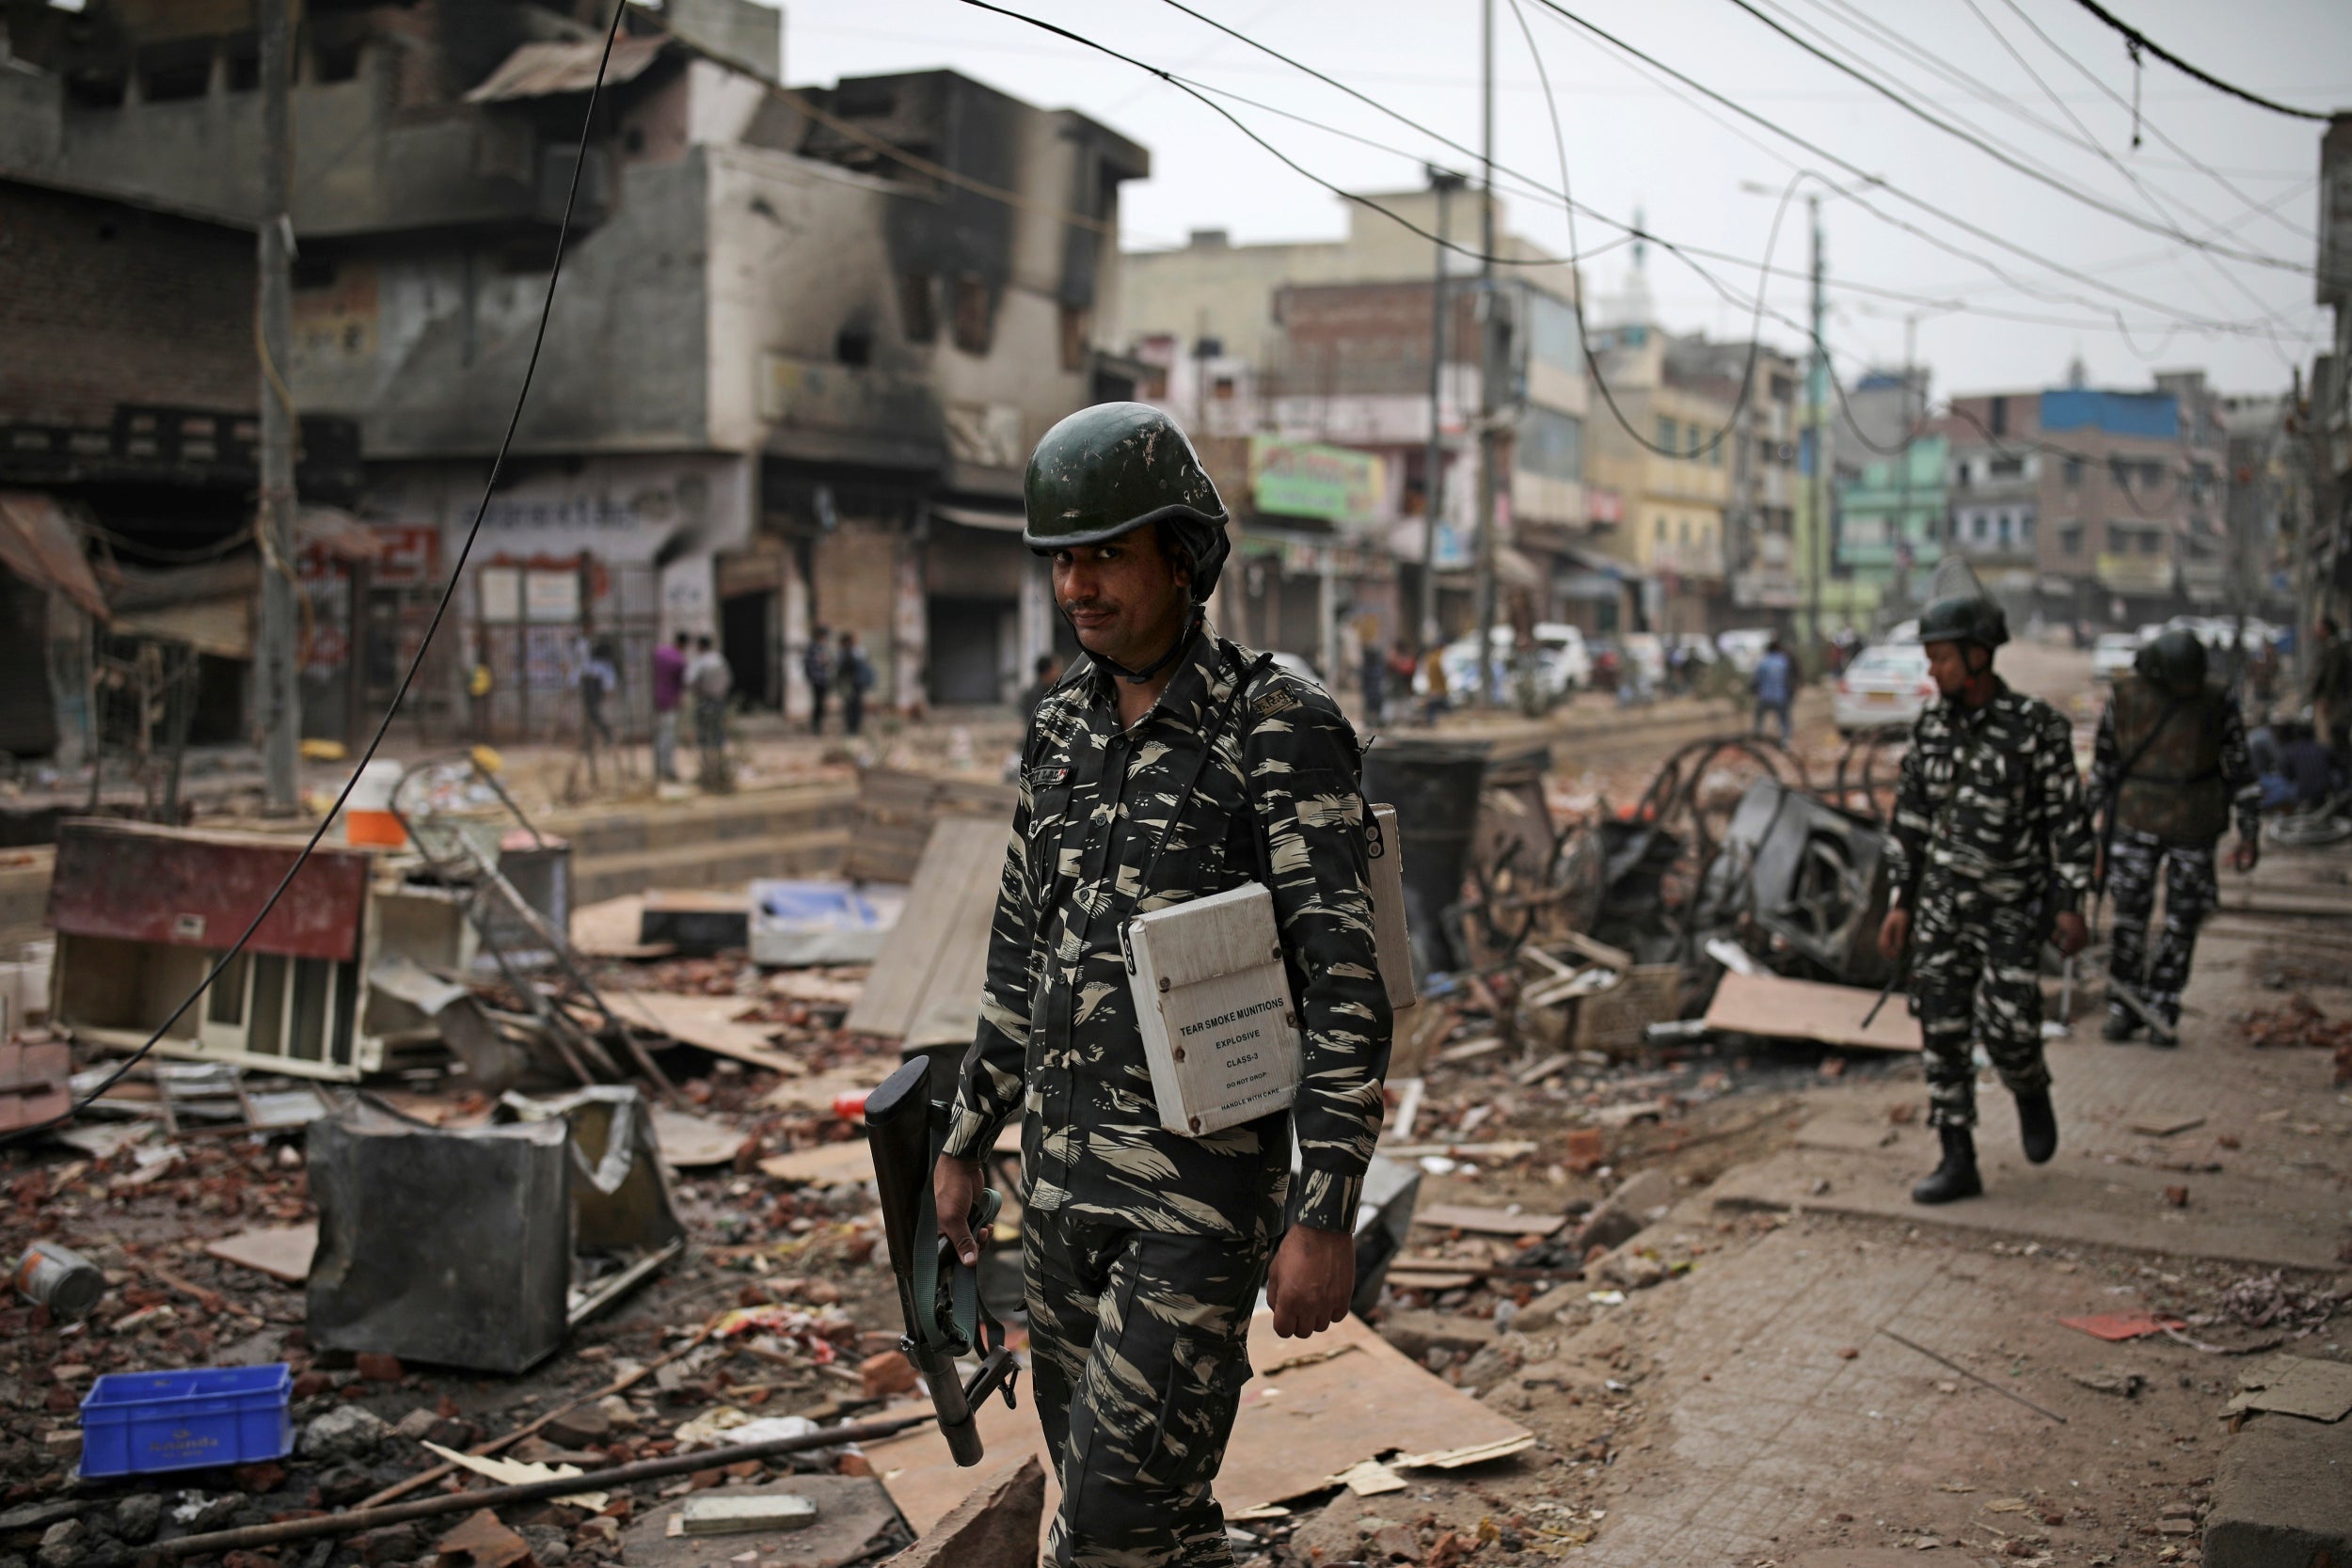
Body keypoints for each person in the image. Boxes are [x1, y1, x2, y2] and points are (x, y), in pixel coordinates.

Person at [932, 402, 1391, 1568]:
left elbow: (1342, 977)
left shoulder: (1275, 723)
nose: (1077, 584)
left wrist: (1325, 1209)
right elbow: (1016, 947)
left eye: (1107, 554)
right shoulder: (1057, 732)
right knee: (1152, 1521)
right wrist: (966, 1132)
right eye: (1063, 560)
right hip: (1059, 1195)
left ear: (1182, 557)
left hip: (1195, 1204)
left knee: (1102, 1535)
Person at [1878, 588, 2094, 1205]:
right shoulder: (1931, 729)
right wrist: (1900, 900)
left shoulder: (2036, 728)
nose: (1933, 670)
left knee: (2009, 1028)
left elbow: (2067, 822)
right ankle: (1957, 1156)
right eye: (1929, 657)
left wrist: (2070, 901)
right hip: (1941, 908)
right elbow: (1911, 821)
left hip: (2010, 910)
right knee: (1941, 1031)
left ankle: (2029, 1086)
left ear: (1978, 656)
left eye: (1942, 657)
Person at [2088, 628, 2261, 1044]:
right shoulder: (2128, 698)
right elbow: (2104, 764)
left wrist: (2249, 830)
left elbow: (2239, 765)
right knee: (2129, 916)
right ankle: (2126, 1005)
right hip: (2136, 819)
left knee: (2184, 919)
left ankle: (2163, 1004)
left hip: (2194, 822)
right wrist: (2083, 823)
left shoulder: (2216, 701)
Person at [686, 635, 733, 787]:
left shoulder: (700, 661)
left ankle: (707, 772)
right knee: (718, 734)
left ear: (700, 646)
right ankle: (718, 768)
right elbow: (729, 680)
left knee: (704, 736)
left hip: (704, 701)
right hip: (719, 701)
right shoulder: (720, 660)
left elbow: (689, 680)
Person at [2311, 617, 2352, 763]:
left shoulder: (2334, 646)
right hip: (2337, 698)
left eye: (2319, 628)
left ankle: (2344, 771)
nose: (2316, 631)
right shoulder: (2330, 645)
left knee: (2337, 731)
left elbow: (2332, 674)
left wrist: (2327, 697)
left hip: (2340, 699)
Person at [650, 632, 688, 783]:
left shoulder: (659, 653)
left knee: (660, 735)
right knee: (668, 736)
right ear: (684, 645)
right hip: (670, 702)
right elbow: (681, 685)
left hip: (655, 699)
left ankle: (659, 768)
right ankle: (667, 769)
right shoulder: (679, 660)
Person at [1752, 637, 1794, 743]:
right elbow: (1788, 679)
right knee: (1784, 719)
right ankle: (1785, 739)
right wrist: (1790, 693)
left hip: (1765, 696)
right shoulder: (1783, 661)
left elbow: (1756, 680)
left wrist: (1754, 691)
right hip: (1780, 696)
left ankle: (1759, 735)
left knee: (1759, 716)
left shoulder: (1763, 662)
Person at [835, 629, 874, 736]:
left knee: (855, 705)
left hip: (856, 683)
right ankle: (851, 728)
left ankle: (855, 728)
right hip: (849, 683)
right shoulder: (847, 652)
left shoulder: (858, 651)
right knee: (849, 706)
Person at [803, 626, 834, 736]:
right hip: (817, 679)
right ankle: (816, 726)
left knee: (821, 704)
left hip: (823, 679)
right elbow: (811, 663)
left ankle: (818, 725)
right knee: (818, 703)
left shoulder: (822, 647)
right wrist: (822, 661)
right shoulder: (813, 647)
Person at [1016, 651, 1063, 722]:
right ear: (1047, 671)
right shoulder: (1034, 695)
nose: (1060, 672)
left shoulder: (1055, 689)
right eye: (1056, 669)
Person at [1360, 638, 1387, 725]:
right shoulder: (1375, 669)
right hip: (1373, 693)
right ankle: (1373, 720)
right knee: (1372, 709)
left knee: (1372, 708)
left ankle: (1374, 721)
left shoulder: (1371, 669)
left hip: (1373, 693)